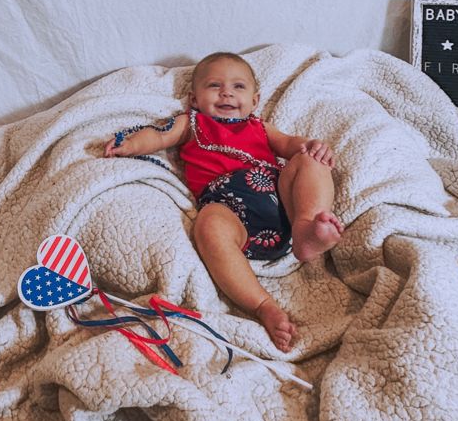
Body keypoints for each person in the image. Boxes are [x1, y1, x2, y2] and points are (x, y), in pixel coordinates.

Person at [104, 52, 342, 350]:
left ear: (255, 101)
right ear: (194, 98)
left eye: (238, 86)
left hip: (281, 200)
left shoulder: (260, 127)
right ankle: (262, 305)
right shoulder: (191, 123)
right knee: (209, 224)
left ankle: (307, 227)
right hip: (230, 210)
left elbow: (289, 144)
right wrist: (131, 144)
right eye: (214, 85)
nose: (227, 92)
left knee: (310, 162)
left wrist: (311, 146)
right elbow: (158, 136)